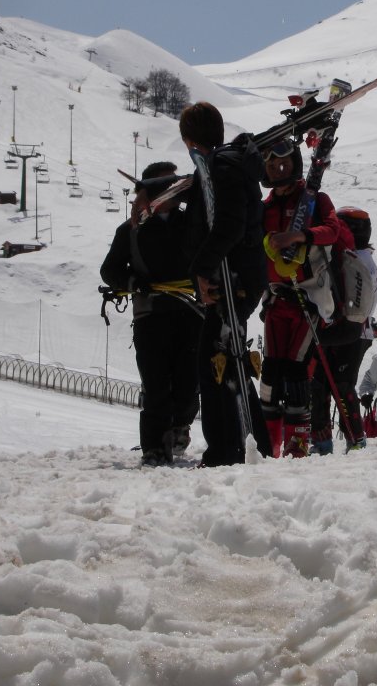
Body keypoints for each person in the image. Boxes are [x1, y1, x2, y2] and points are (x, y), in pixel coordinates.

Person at [179, 102, 268, 466]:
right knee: (227, 364)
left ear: (189, 138)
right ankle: (249, 445)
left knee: (215, 363)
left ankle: (228, 451)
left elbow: (229, 225)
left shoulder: (221, 167)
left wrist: (202, 266)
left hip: (232, 279)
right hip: (235, 276)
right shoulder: (224, 165)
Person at [100, 161, 201, 467]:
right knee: (156, 383)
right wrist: (133, 283)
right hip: (151, 315)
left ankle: (180, 424)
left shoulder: (193, 222)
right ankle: (154, 446)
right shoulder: (131, 230)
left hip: (191, 312)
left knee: (187, 381)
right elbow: (110, 270)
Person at [258, 137, 341, 458]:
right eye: (273, 164)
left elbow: (332, 230)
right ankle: (269, 446)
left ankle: (297, 446)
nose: (279, 168)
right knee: (270, 372)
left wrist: (299, 235)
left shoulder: (315, 200)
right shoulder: (264, 208)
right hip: (275, 299)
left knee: (295, 371)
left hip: (308, 300)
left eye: (286, 163)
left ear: (296, 164)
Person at [310, 207, 377, 454]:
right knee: (320, 382)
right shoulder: (359, 257)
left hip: (352, 330)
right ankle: (323, 440)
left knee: (340, 384)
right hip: (348, 329)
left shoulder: (357, 260)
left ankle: (355, 438)